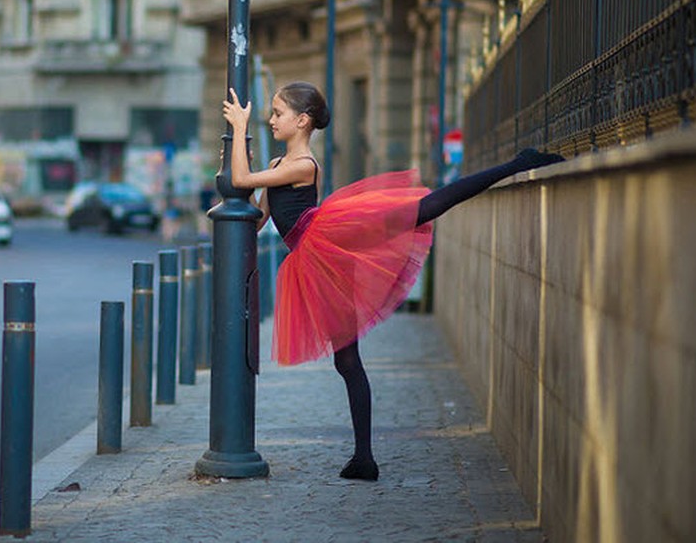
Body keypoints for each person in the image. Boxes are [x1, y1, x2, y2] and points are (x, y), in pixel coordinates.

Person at [222, 81, 562, 482]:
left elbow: (242, 181)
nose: (270, 119)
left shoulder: (304, 165)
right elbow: (258, 214)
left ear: (302, 121)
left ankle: (516, 164)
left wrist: (240, 128)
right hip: (317, 258)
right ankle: (363, 459)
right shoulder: (279, 166)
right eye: (270, 113)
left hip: (332, 238)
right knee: (346, 360)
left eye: (277, 113)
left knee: (424, 208)